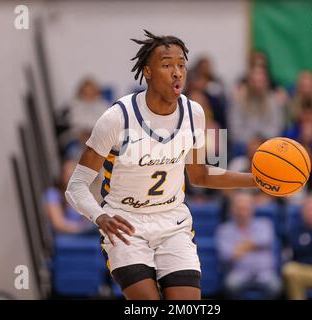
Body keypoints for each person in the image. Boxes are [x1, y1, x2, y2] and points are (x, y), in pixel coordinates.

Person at [64, 30, 259, 300]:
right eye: (167, 65)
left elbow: (201, 175)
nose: (177, 72)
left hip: (173, 222)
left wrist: (257, 180)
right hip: (126, 223)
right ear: (148, 72)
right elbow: (75, 186)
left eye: (181, 65)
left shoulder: (195, 113)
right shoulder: (117, 118)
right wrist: (100, 216)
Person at [216, 191, 281, 299]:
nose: (242, 212)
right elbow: (226, 255)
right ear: (232, 209)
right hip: (240, 273)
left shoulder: (264, 224)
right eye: (239, 208)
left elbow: (266, 240)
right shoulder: (224, 229)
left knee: (276, 286)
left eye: (245, 208)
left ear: (252, 209)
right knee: (230, 285)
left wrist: (240, 247)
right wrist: (255, 246)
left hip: (264, 273)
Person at [44, 160, 95, 235]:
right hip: (63, 237)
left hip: (80, 234)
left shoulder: (78, 195)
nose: (71, 180)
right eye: (68, 176)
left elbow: (88, 219)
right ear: (62, 176)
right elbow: (58, 224)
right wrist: (81, 229)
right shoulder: (53, 193)